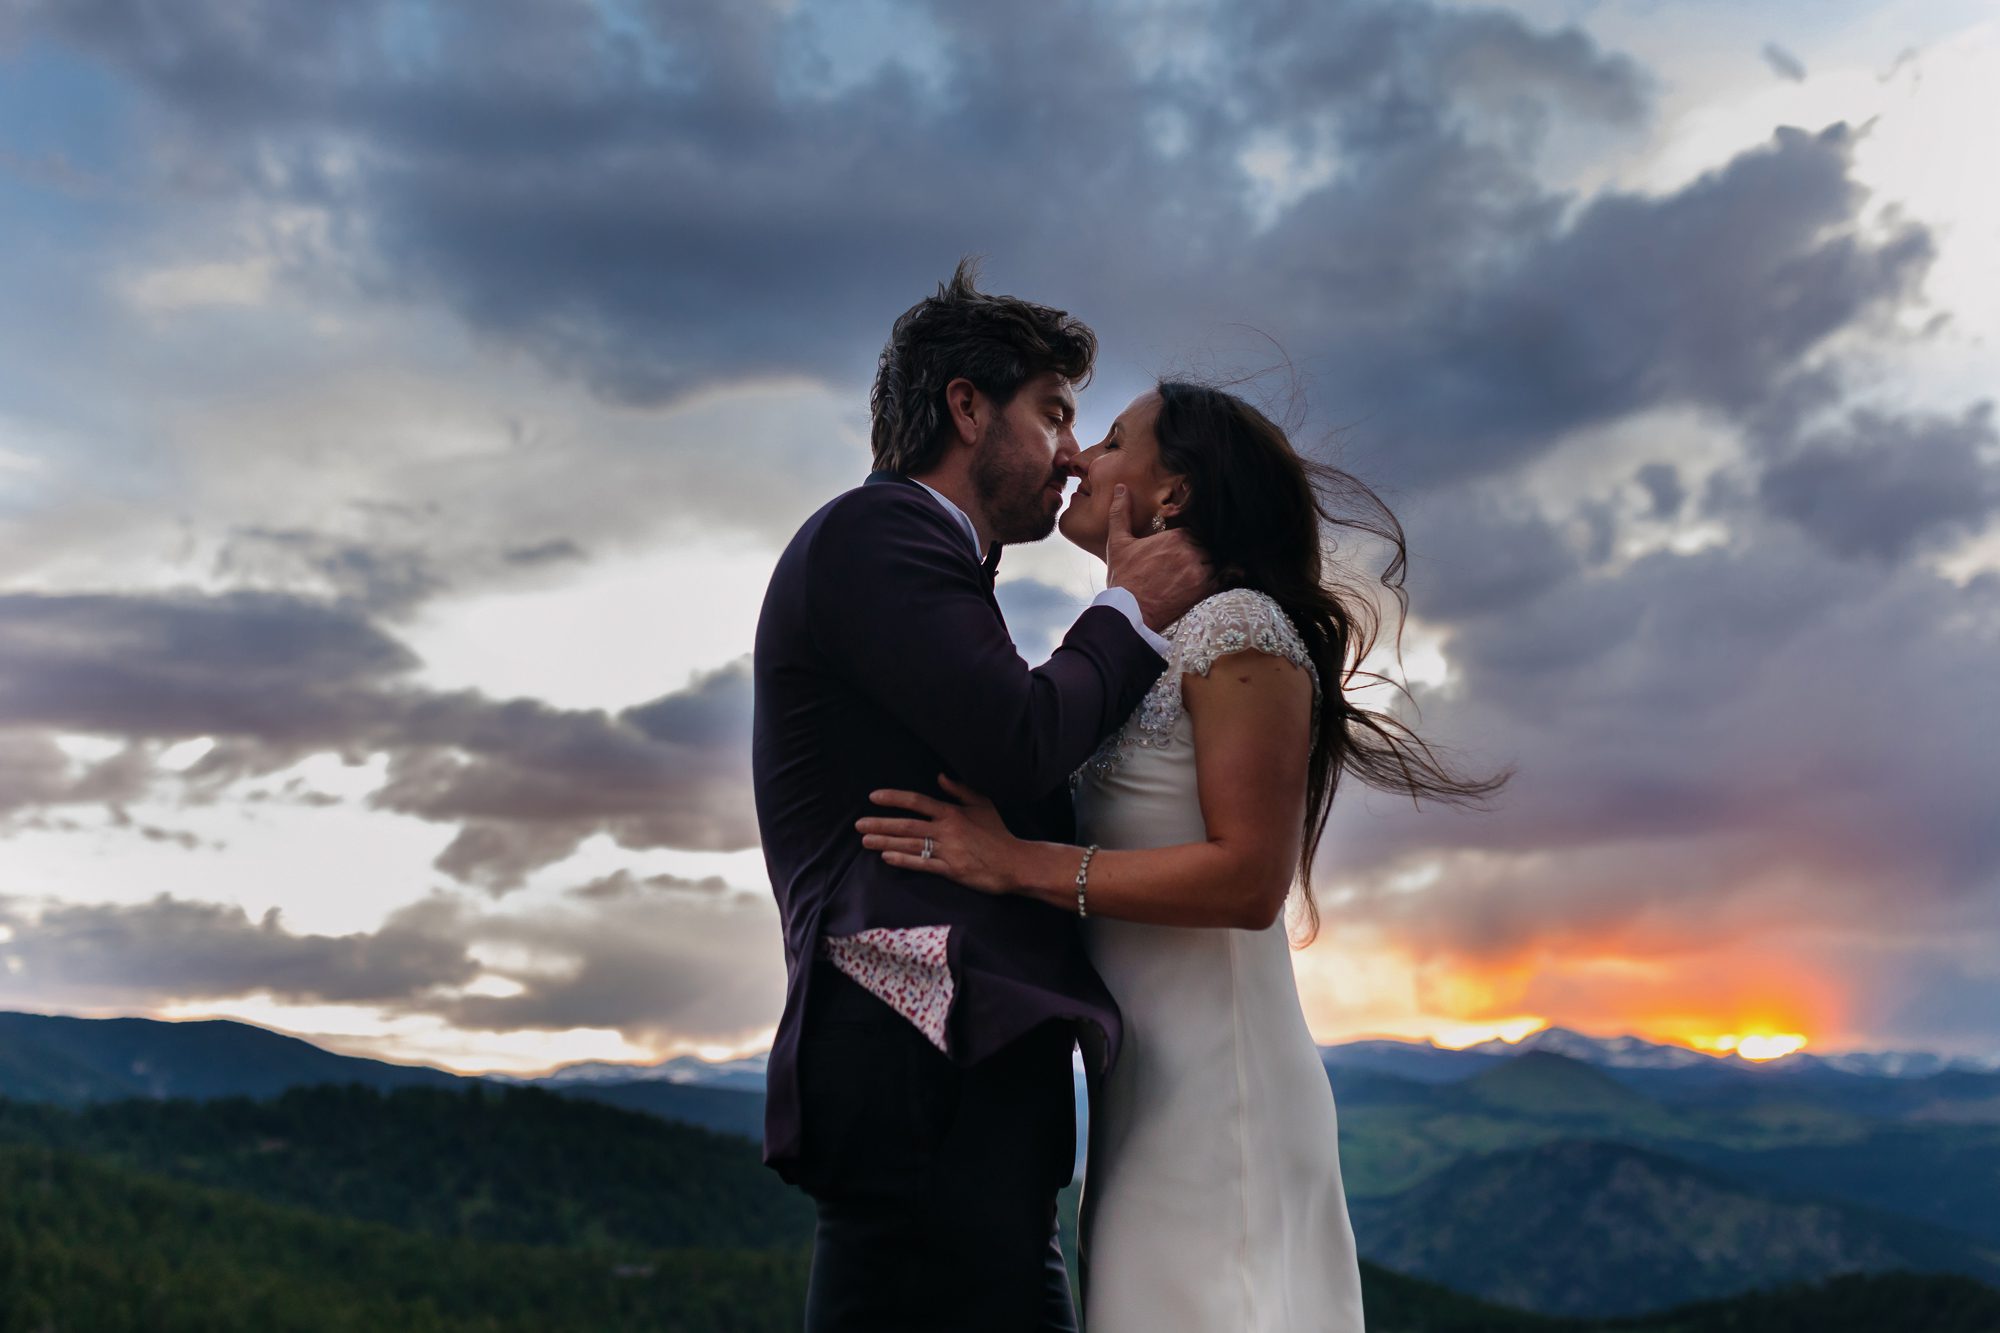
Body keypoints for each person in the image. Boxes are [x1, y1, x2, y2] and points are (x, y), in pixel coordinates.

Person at [859, 380, 1512, 1331]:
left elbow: (1251, 879)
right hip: (1140, 1089)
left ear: (1176, 494)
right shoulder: (1140, 645)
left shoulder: (1240, 630)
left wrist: (1016, 863)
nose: (1078, 456)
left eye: (1114, 440)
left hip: (1222, 1086)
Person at [750, 261, 1212, 1331]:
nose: (1066, 452)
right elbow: (1018, 740)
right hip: (911, 1059)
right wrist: (1129, 615)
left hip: (953, 1072)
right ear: (965, 405)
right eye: (1052, 412)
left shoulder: (925, 559)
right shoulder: (880, 535)